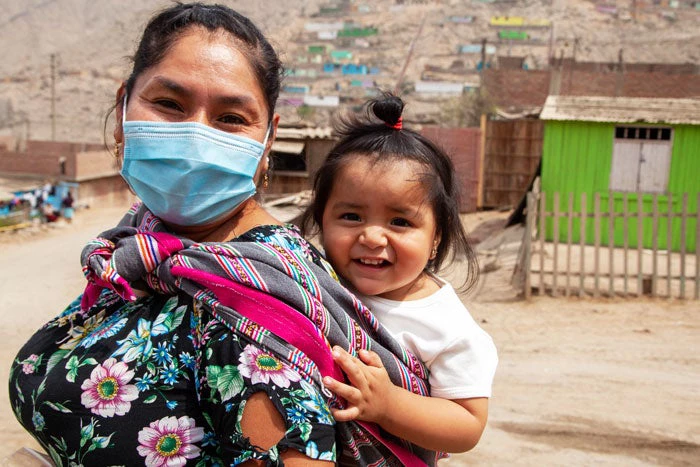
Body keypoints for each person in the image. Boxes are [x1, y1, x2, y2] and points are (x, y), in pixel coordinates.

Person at [9, 4, 437, 467]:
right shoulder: (145, 247)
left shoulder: (250, 307)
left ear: (267, 138)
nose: (195, 136)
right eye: (169, 104)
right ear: (123, 108)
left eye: (231, 118)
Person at [301, 93, 499, 454]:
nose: (372, 237)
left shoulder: (447, 326)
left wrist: (390, 405)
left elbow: (468, 424)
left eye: (399, 221)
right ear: (320, 220)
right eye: (351, 216)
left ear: (436, 237)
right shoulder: (314, 282)